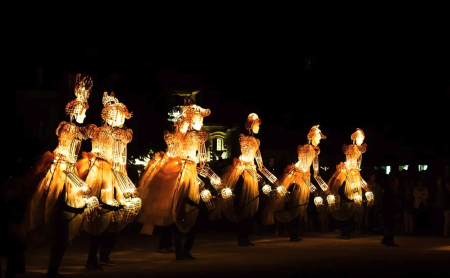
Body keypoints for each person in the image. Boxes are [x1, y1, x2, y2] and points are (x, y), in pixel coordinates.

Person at [25, 74, 98, 278]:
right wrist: (81, 186)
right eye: (83, 110)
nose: (84, 114)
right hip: (62, 172)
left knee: (64, 223)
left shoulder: (76, 129)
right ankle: (51, 266)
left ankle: (52, 265)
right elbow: (66, 156)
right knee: (60, 218)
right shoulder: (69, 129)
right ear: (75, 111)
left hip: (68, 170)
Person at [138, 97, 217, 260]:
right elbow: (197, 161)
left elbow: (202, 163)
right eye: (197, 118)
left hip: (188, 174)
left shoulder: (197, 137)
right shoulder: (181, 137)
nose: (199, 121)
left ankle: (182, 249)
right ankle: (180, 249)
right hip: (179, 174)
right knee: (180, 212)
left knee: (191, 213)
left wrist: (212, 180)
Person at [76, 92, 139, 269]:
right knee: (104, 212)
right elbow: (124, 137)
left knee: (113, 214)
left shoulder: (113, 132)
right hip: (103, 171)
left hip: (113, 172)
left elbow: (125, 138)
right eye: (117, 116)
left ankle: (101, 255)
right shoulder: (104, 131)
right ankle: (93, 257)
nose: (120, 120)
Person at [261, 125, 329, 241]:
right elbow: (306, 169)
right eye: (318, 136)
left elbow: (316, 173)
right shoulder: (308, 150)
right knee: (296, 204)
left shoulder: (313, 151)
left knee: (298, 206)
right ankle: (292, 233)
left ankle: (294, 233)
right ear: (312, 137)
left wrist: (322, 186)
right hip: (300, 178)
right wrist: (318, 187)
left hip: (302, 178)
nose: (319, 139)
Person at [381, 173, 402, 247]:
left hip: (391, 210)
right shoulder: (390, 190)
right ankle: (389, 240)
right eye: (396, 181)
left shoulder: (392, 189)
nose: (397, 183)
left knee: (391, 226)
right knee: (390, 226)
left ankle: (387, 239)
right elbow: (390, 201)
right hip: (390, 211)